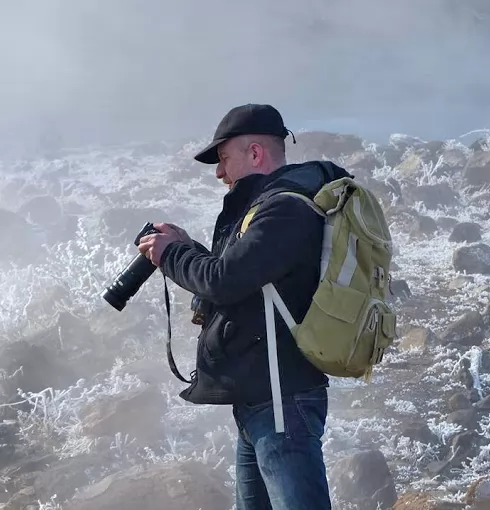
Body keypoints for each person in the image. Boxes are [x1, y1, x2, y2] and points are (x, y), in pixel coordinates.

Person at [138, 104, 351, 510]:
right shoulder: (264, 208)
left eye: (222, 159)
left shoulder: (286, 209)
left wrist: (171, 256)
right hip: (260, 400)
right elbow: (239, 281)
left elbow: (224, 279)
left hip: (282, 404)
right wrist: (186, 248)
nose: (219, 172)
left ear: (255, 154)